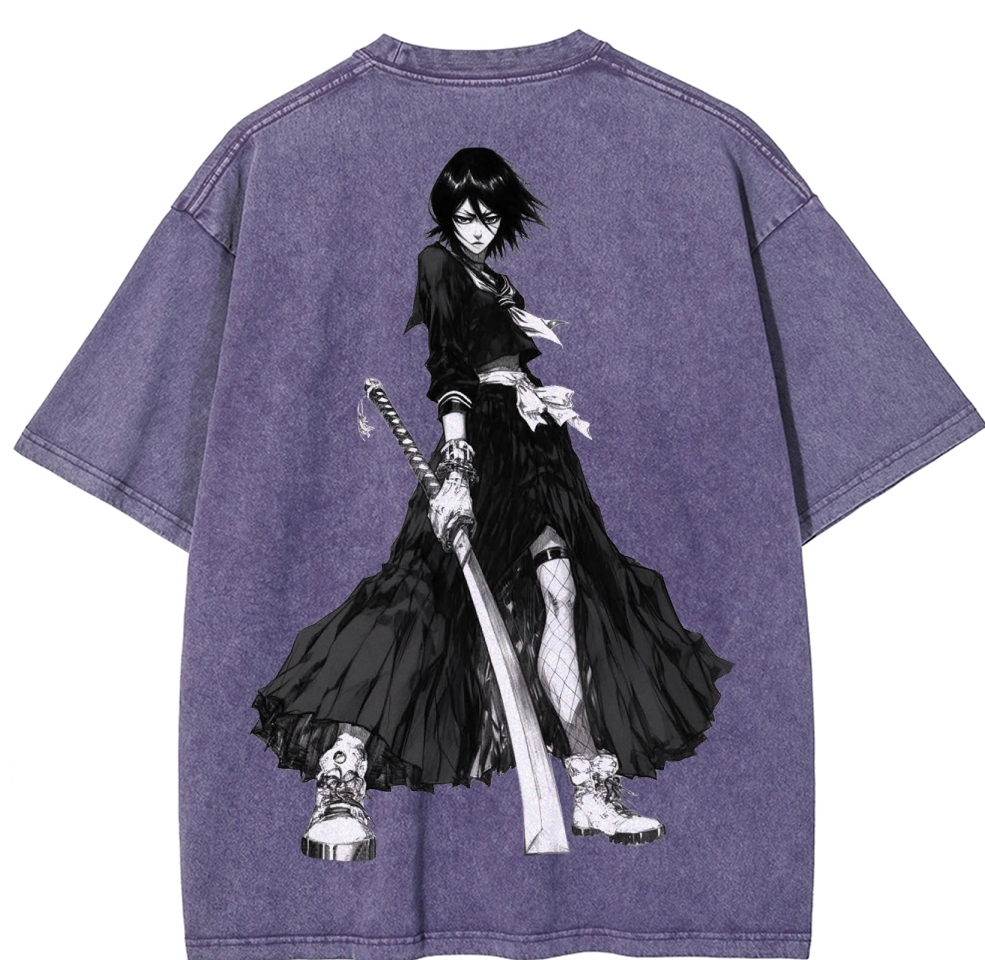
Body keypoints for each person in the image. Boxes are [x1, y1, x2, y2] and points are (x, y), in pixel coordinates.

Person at [252, 147, 732, 861]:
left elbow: (508, 362)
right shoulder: (439, 265)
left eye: (489, 216)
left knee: (563, 590)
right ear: (448, 213)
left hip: (537, 448)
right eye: (465, 215)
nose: (477, 227)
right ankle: (342, 771)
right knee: (423, 595)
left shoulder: (499, 282)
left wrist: (536, 401)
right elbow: (449, 361)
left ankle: (590, 785)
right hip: (477, 441)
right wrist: (456, 464)